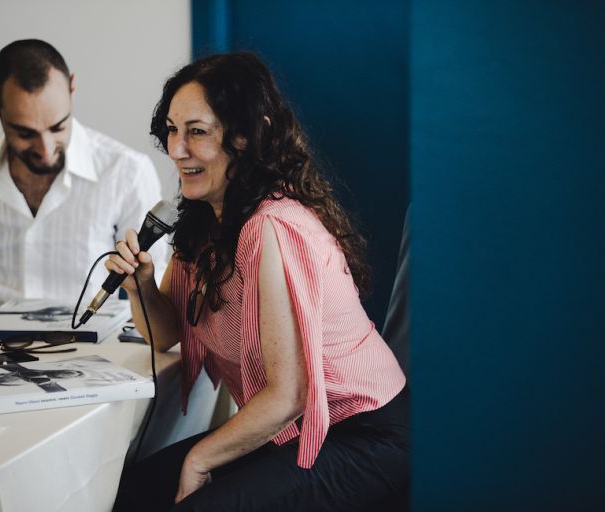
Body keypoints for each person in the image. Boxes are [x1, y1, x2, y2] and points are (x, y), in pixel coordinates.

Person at [109, 52, 408, 511]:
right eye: (171, 129)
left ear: (246, 138)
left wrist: (199, 459)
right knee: (133, 492)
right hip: (297, 428)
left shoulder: (273, 226)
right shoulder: (204, 219)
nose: (176, 149)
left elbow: (289, 395)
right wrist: (141, 286)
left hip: (363, 434)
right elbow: (166, 334)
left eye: (197, 132)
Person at [0, 39, 168, 315]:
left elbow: (152, 291)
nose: (45, 150)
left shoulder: (127, 171)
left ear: (72, 88)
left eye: (58, 127)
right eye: (25, 133)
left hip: (94, 349)